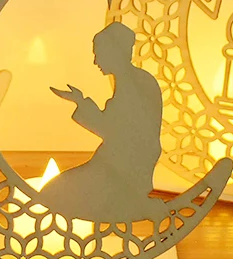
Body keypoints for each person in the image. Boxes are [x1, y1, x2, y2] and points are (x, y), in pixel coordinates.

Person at [40, 22, 162, 221]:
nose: (96, 61)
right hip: (113, 165)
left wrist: (80, 103)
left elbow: (114, 131)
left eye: (98, 53)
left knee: (54, 194)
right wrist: (80, 101)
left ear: (114, 51)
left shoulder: (135, 85)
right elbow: (115, 127)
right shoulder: (131, 81)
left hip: (122, 172)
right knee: (53, 193)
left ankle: (135, 205)